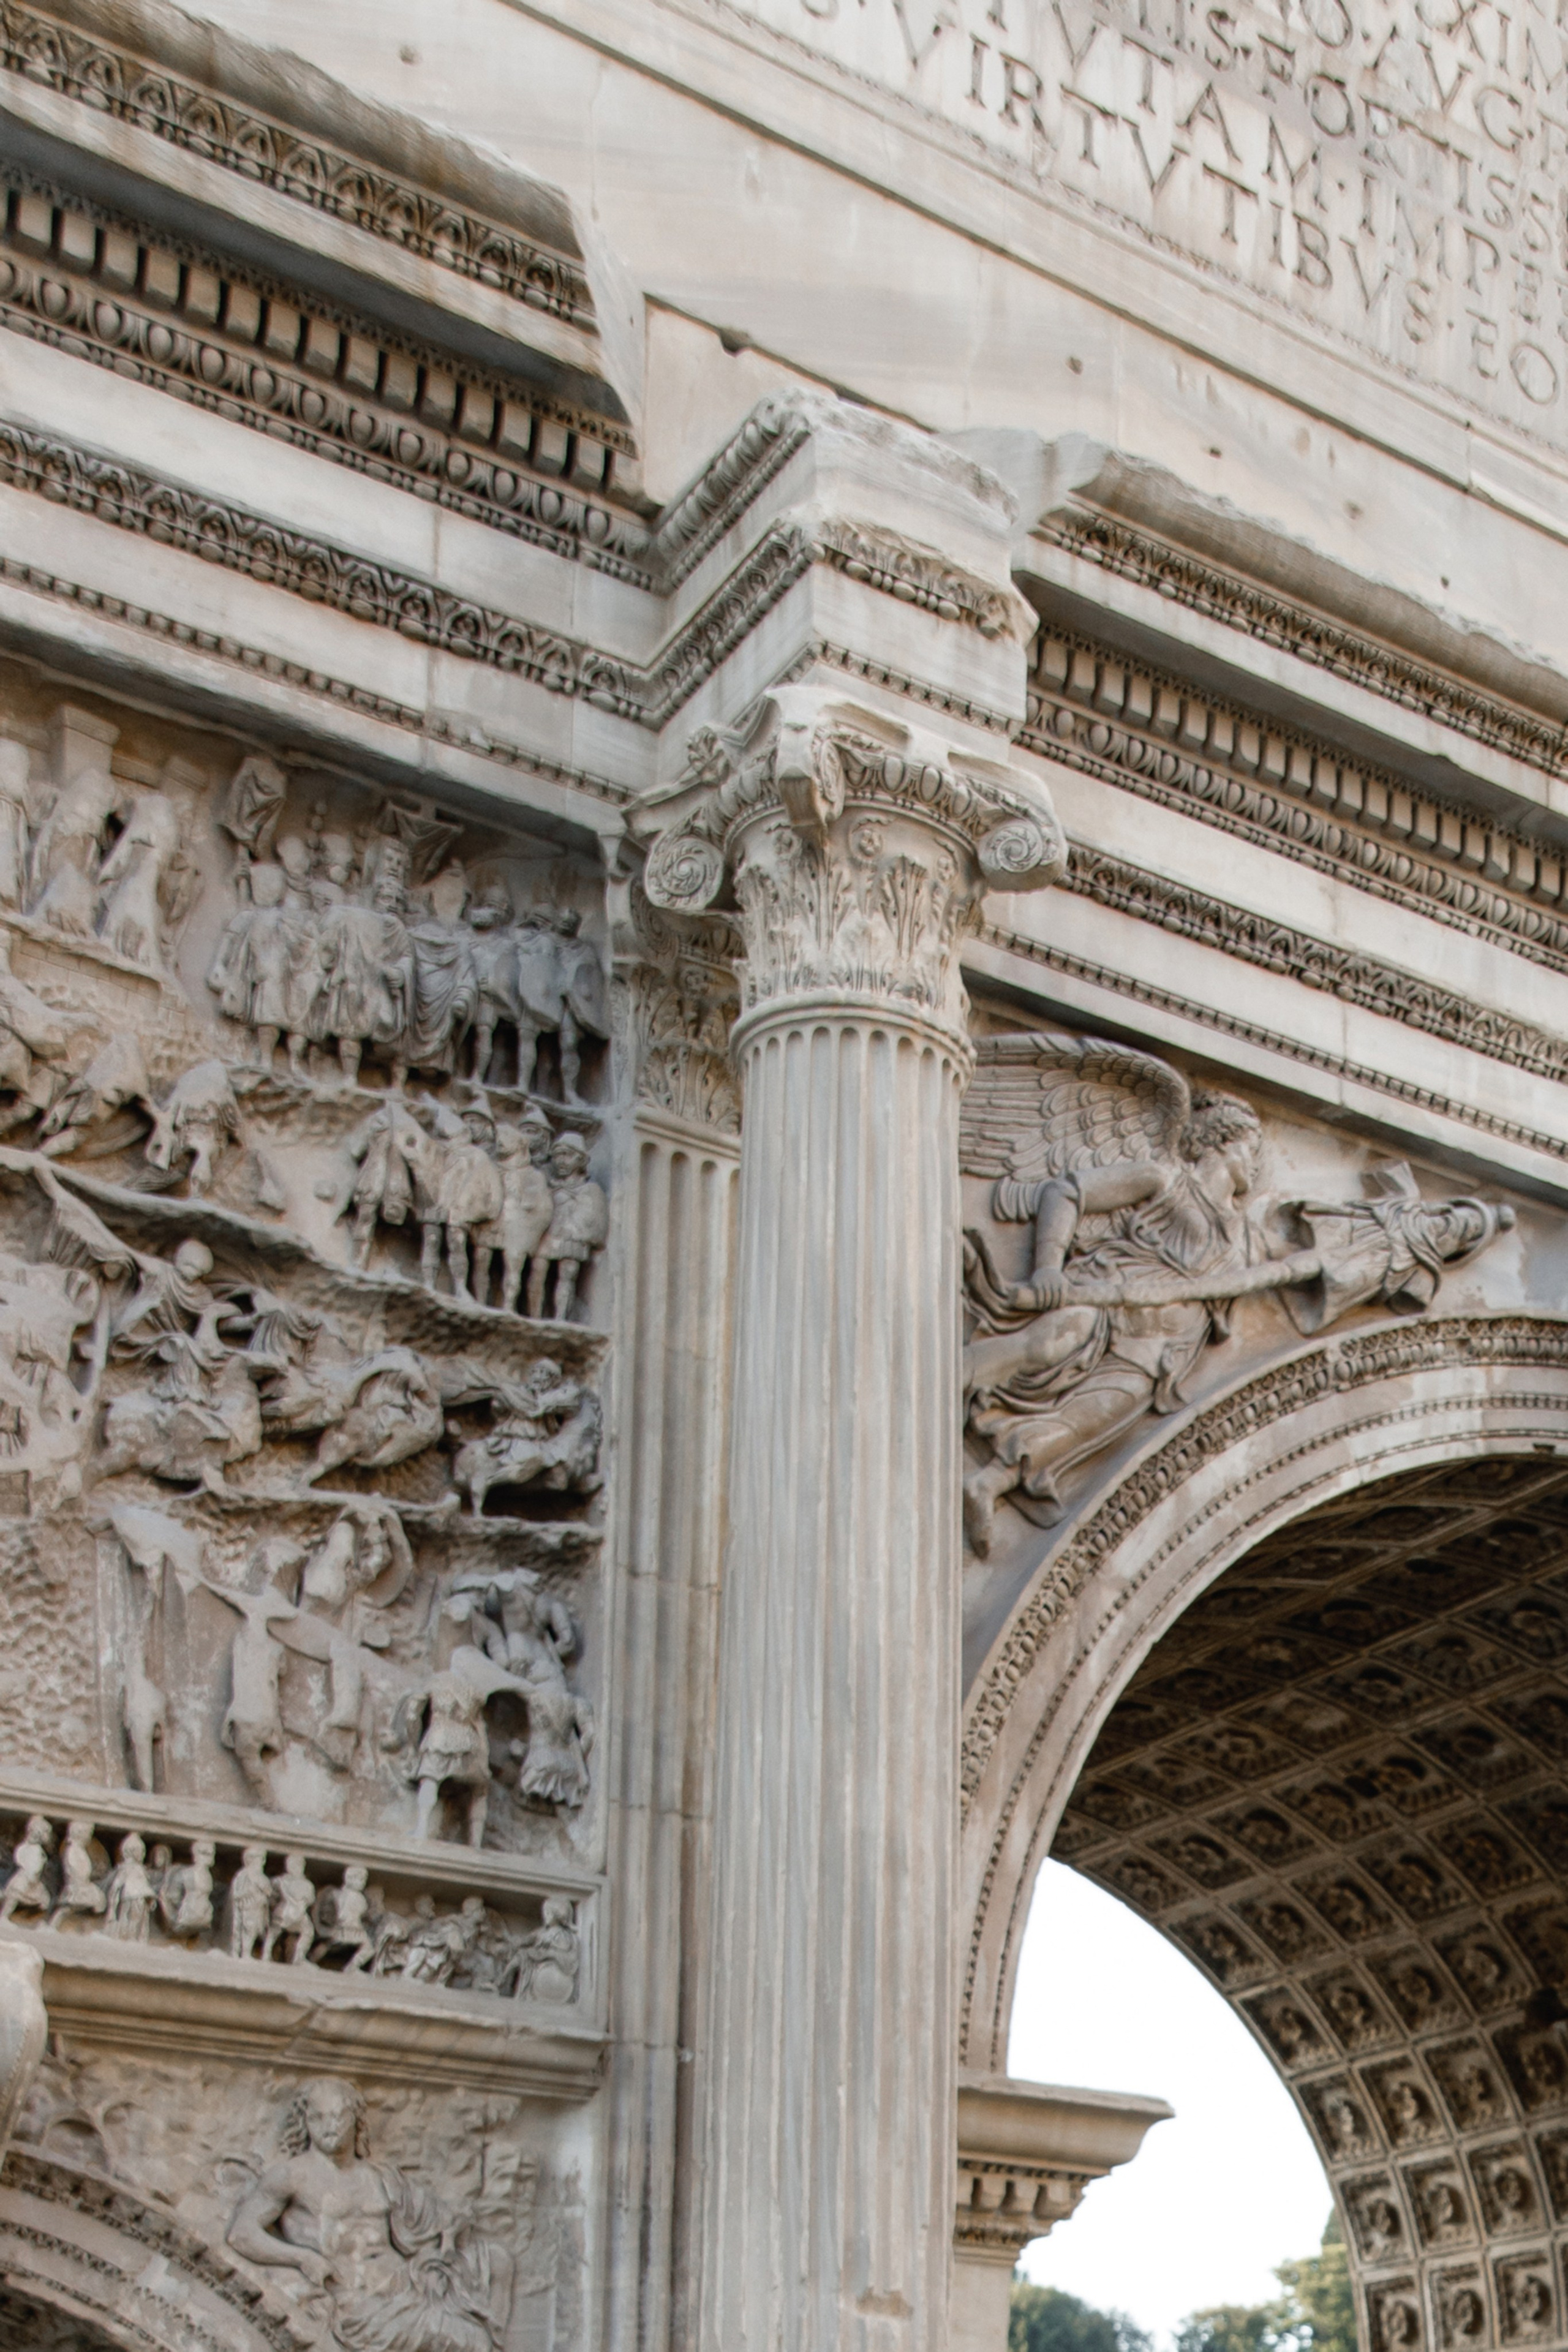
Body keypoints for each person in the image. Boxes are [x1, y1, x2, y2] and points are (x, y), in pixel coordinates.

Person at [224, 2075, 505, 2352]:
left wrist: (445, 2241)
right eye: (318, 2118)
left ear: (357, 2120)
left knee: (479, 2329)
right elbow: (242, 2234)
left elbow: (443, 2222)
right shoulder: (291, 2175)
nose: (329, 2127)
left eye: (339, 2117)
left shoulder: (382, 2178)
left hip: (407, 2291)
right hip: (354, 2302)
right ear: (305, 2122)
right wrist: (302, 2257)